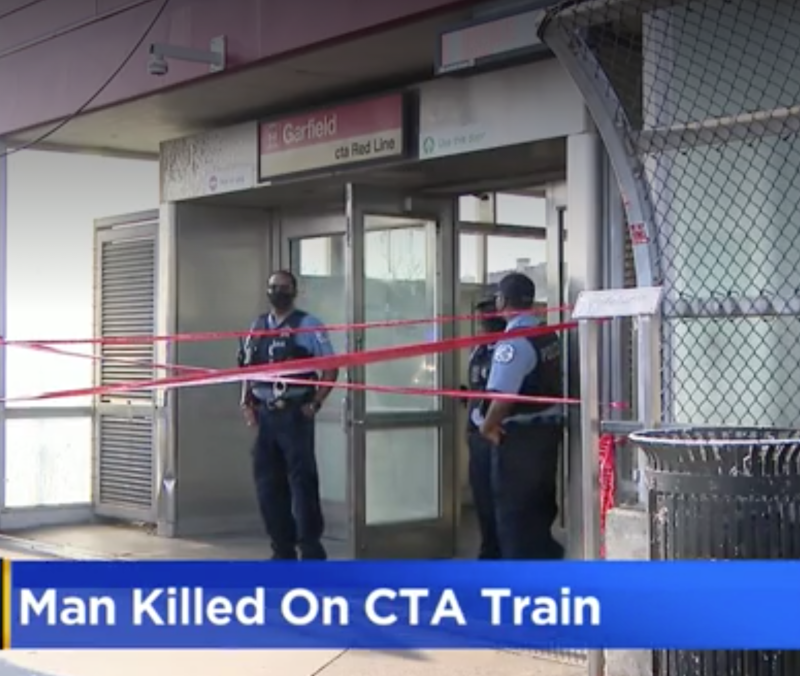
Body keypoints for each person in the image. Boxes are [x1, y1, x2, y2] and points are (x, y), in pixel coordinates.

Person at [240, 270, 339, 560]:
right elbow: (246, 368)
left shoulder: (309, 325)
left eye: (284, 287)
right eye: (273, 287)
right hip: (265, 417)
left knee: (302, 485)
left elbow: (330, 367)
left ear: (294, 291)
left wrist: (316, 403)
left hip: (295, 415)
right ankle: (281, 550)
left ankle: (310, 550)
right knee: (268, 486)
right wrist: (246, 402)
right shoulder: (257, 326)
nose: (278, 292)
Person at [477, 272, 565, 560]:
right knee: (539, 515)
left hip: (520, 441)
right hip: (546, 435)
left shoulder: (513, 343)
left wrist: (488, 427)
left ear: (503, 301)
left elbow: (504, 395)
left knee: (515, 521)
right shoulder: (545, 333)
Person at [464, 297, 506, 559]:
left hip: (496, 434)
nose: (480, 326)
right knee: (481, 497)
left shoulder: (505, 349)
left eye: (484, 321)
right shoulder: (479, 350)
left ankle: (499, 554)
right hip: (477, 432)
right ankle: (488, 550)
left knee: (498, 499)